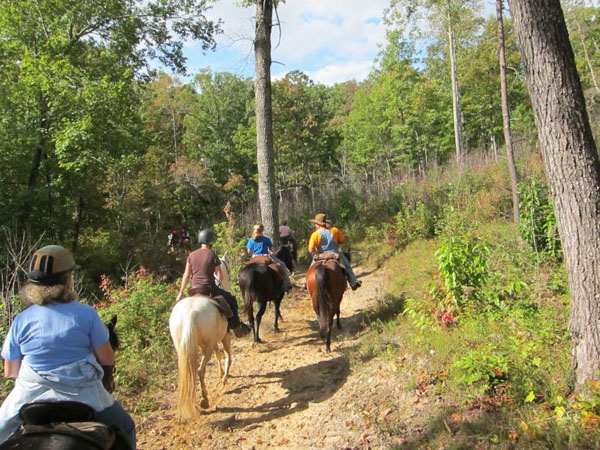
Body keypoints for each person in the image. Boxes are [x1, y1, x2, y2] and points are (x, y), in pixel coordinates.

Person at [0, 245, 136, 449]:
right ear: (67, 280)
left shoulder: (21, 320)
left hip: (30, 397)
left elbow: (10, 371)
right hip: (84, 395)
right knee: (127, 426)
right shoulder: (87, 314)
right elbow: (107, 359)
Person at [175, 229, 250, 337]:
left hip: (194, 289)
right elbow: (220, 276)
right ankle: (236, 328)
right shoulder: (212, 254)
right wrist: (218, 281)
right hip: (209, 288)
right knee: (232, 300)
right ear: (211, 241)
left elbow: (186, 275)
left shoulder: (191, 255)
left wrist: (180, 293)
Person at [308, 213, 362, 290]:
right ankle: (353, 282)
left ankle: (307, 284)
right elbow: (343, 240)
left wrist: (315, 252)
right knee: (347, 266)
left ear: (317, 224)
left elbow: (310, 249)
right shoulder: (334, 230)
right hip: (335, 254)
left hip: (321, 255)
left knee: (311, 268)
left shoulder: (315, 234)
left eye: (315, 223)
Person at [246, 224, 293, 291]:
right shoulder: (266, 239)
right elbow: (272, 251)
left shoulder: (251, 239)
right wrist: (270, 251)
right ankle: (287, 284)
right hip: (265, 256)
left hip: (254, 257)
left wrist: (254, 254)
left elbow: (249, 252)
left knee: (245, 267)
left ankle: (238, 277)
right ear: (263, 230)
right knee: (282, 264)